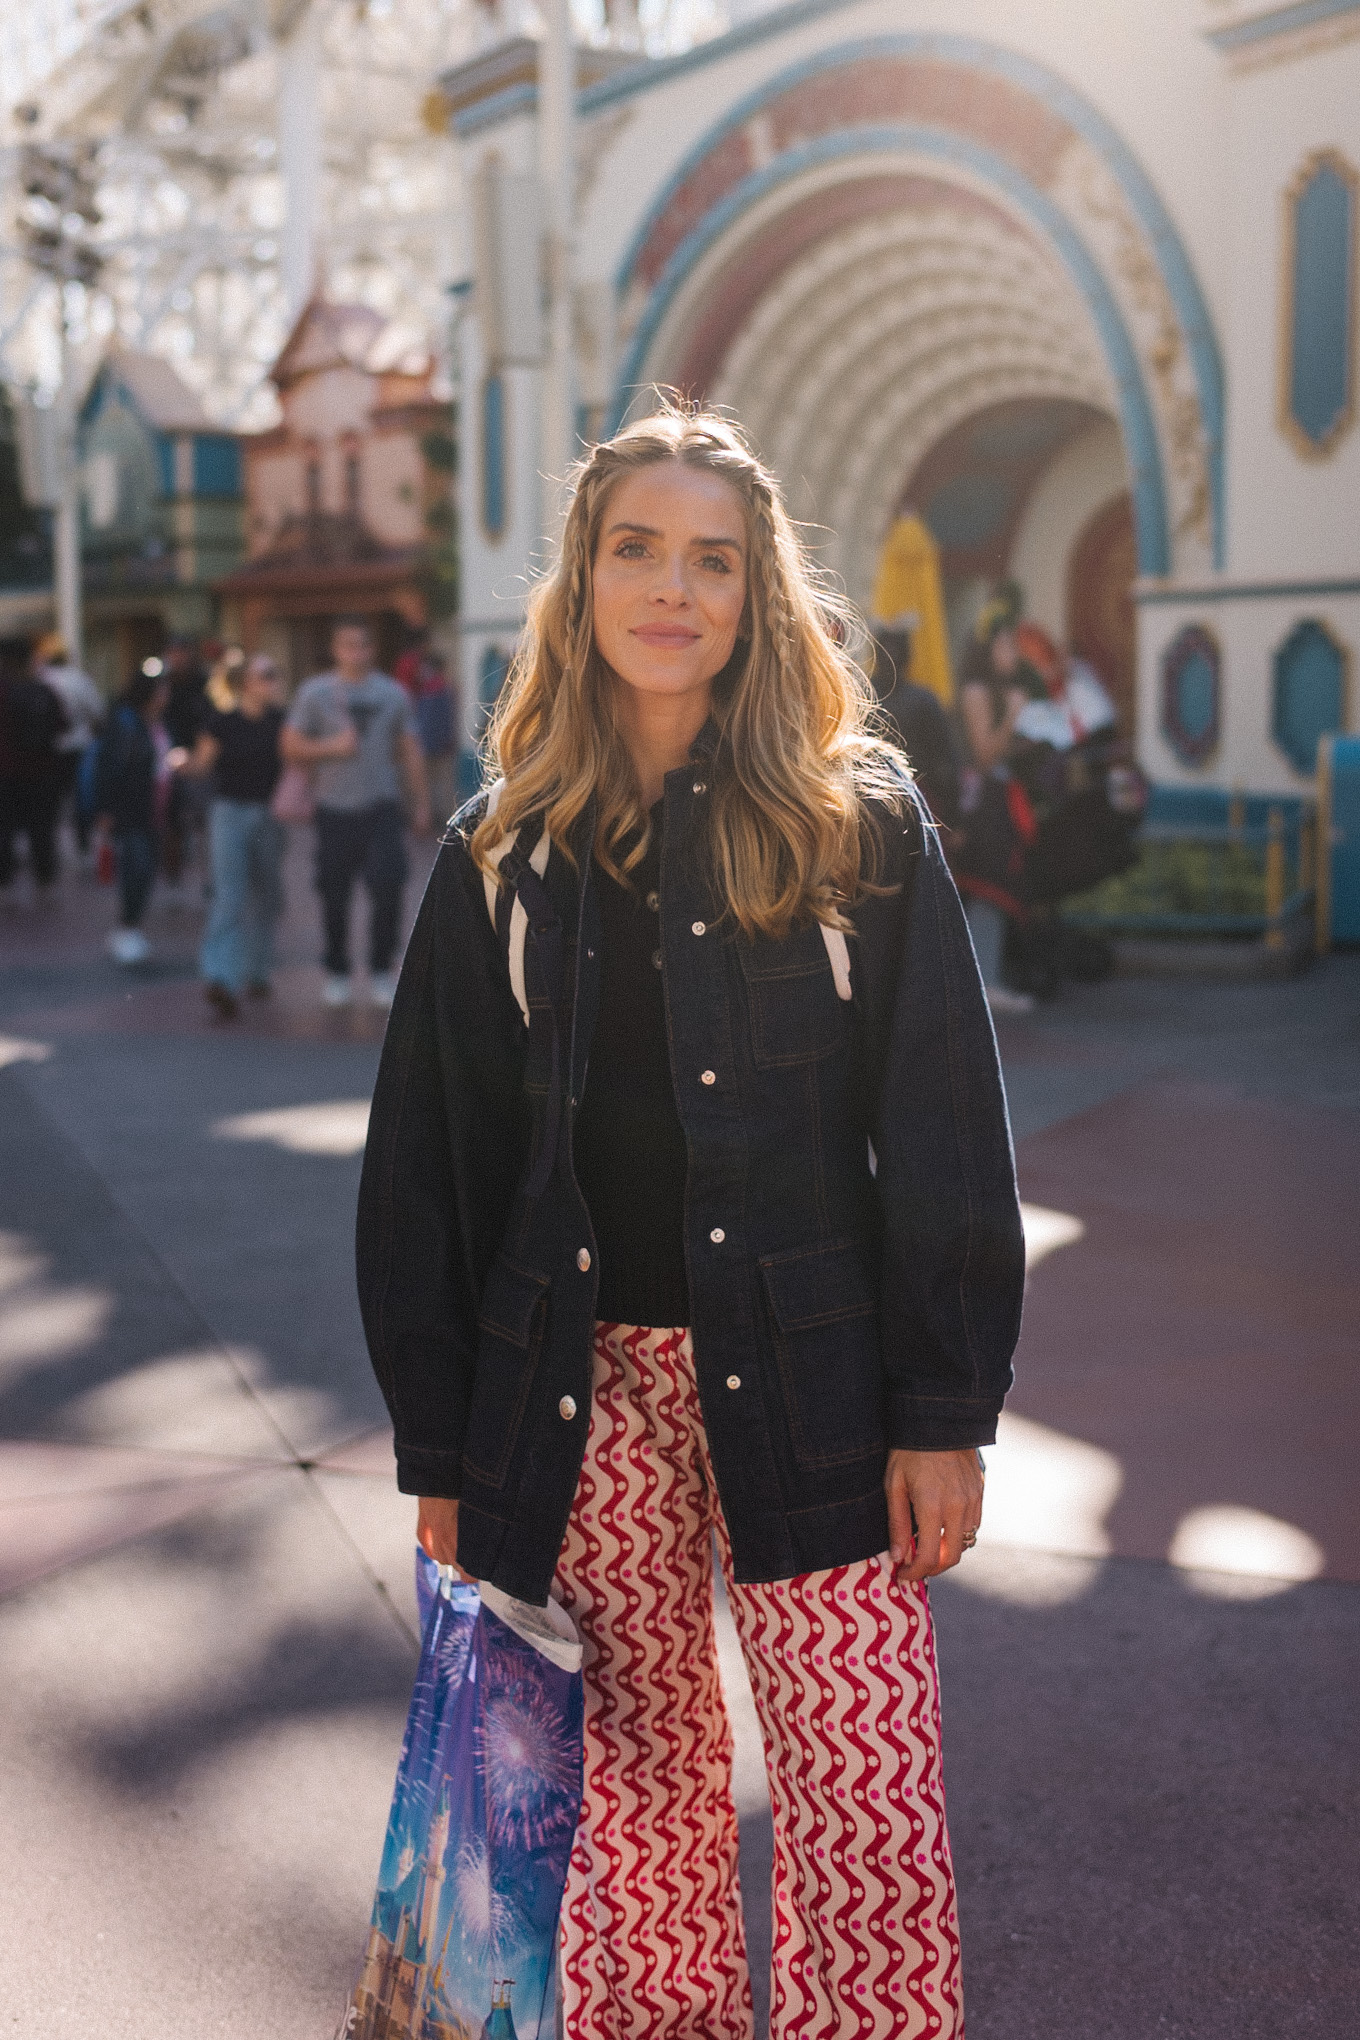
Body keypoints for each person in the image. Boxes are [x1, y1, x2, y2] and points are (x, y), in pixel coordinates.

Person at [356, 404, 1025, 2040]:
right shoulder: (502, 852)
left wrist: (944, 1410)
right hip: (585, 1397)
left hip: (822, 1379)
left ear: (757, 592)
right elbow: (424, 1176)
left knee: (865, 1798)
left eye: (713, 560)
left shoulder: (852, 822)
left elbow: (939, 1123)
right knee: (643, 1805)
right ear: (583, 582)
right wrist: (442, 1453)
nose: (674, 590)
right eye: (637, 551)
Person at [281, 617, 431, 1009]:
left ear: (371, 649)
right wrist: (330, 748)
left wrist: (421, 803)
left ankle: (381, 968)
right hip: (333, 810)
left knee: (388, 887)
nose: (355, 652)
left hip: (381, 806)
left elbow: (409, 747)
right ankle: (337, 970)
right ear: (335, 649)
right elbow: (290, 745)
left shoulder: (392, 693)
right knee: (334, 894)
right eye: (347, 645)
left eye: (362, 644)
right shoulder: (315, 694)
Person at [182, 650, 286, 1020]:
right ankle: (221, 978)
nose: (274, 682)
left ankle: (257, 971)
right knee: (230, 895)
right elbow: (200, 766)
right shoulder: (222, 722)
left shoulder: (281, 721)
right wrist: (181, 763)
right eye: (267, 674)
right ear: (245, 683)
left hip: (271, 816)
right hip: (229, 813)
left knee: (269, 895)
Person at [953, 586, 1041, 1016]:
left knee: (997, 891)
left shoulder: (999, 689)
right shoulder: (975, 691)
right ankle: (984, 984)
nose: (1013, 654)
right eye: (1006, 644)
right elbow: (985, 755)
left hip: (1001, 801)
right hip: (983, 806)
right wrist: (1012, 716)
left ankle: (988, 979)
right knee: (988, 889)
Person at [92, 667, 168, 963]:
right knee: (137, 867)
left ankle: (130, 928)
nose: (166, 695)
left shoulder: (156, 722)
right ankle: (127, 929)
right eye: (161, 690)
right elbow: (110, 767)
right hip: (131, 808)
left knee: (145, 868)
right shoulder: (125, 723)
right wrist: (106, 809)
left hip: (154, 807)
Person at [871, 623, 961, 832]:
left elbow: (944, 765)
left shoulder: (924, 701)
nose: (891, 654)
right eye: (887, 647)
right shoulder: (860, 697)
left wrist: (953, 820)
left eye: (896, 647)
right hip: (874, 810)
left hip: (917, 809)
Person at [0, 634, 68, 898]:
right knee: (42, 829)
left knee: (3, 830)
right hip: (42, 771)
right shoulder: (43, 689)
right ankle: (45, 882)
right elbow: (63, 724)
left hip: (5, 772)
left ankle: (5, 884)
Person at [33, 632, 104, 859]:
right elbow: (98, 711)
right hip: (78, 746)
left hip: (48, 749)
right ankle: (82, 845)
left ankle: (48, 849)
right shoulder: (78, 679)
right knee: (81, 798)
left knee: (50, 801)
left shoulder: (40, 680)